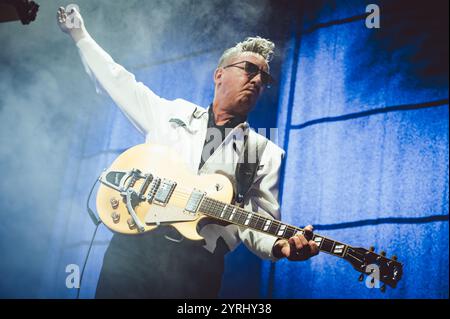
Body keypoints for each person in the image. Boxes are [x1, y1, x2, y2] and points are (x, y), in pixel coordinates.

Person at [57, 6, 319, 298]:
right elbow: (120, 83)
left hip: (196, 267)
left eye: (264, 78)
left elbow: (257, 220)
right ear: (219, 75)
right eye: (250, 69)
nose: (258, 80)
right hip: (135, 248)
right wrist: (79, 34)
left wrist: (282, 246)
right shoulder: (173, 113)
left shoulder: (262, 151)